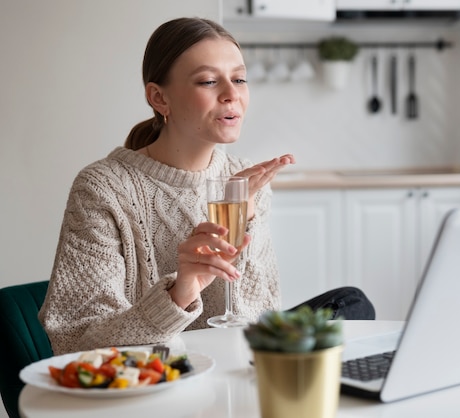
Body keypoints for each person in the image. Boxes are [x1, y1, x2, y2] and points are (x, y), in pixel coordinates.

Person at [39, 17, 374, 355]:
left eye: (240, 79)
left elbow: (260, 313)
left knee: (352, 304)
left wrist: (246, 220)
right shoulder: (103, 188)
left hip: (238, 354)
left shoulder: (244, 177)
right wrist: (179, 292)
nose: (232, 94)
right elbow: (76, 341)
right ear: (159, 98)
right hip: (162, 364)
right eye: (209, 81)